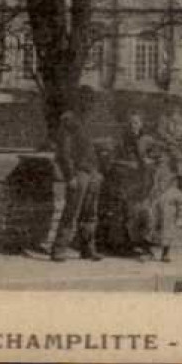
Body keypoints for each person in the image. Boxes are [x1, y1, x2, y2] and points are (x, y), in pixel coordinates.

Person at [111, 108, 180, 261]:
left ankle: (165, 249)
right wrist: (131, 165)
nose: (132, 126)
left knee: (164, 207)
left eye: (135, 122)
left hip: (155, 184)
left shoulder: (149, 140)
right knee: (140, 209)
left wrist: (153, 163)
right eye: (129, 123)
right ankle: (144, 247)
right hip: (133, 184)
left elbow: (163, 158)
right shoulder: (122, 142)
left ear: (141, 124)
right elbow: (114, 162)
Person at [49, 88, 103, 262]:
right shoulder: (69, 121)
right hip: (78, 172)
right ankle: (58, 249)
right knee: (72, 211)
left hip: (92, 171)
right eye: (86, 100)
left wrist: (98, 171)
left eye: (92, 101)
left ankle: (87, 248)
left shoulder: (92, 121)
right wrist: (70, 176)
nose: (90, 104)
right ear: (80, 102)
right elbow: (64, 151)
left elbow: (96, 148)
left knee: (90, 213)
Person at [154, 98, 182, 192]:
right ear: (167, 107)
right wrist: (173, 141)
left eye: (175, 107)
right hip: (170, 144)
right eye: (171, 106)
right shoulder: (163, 118)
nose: (173, 109)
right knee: (179, 157)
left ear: (178, 108)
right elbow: (161, 132)